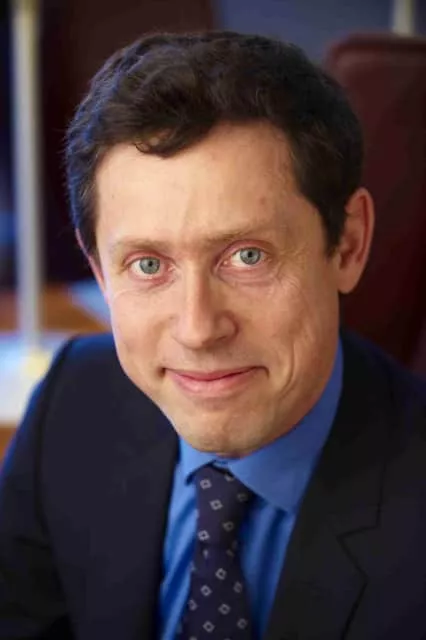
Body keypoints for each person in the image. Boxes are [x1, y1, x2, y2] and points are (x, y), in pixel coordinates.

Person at [0, 31, 425, 640]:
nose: (198, 329)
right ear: (99, 271)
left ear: (348, 244)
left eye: (248, 256)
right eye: (148, 264)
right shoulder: (74, 399)